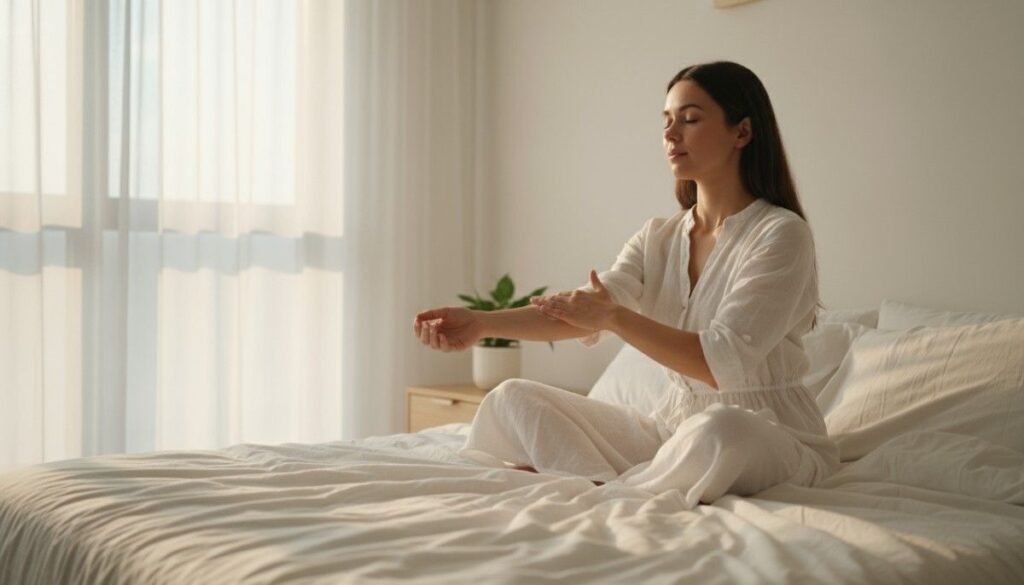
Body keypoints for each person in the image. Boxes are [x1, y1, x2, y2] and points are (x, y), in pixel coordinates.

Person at [411, 61, 839, 507]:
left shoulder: (782, 234)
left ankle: (604, 487)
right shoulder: (659, 236)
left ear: (742, 132)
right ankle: (615, 483)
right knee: (513, 396)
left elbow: (719, 362)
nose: (672, 134)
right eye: (667, 121)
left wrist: (615, 317)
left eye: (690, 119)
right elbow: (583, 313)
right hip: (670, 432)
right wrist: (481, 323)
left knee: (720, 431)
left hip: (765, 434)